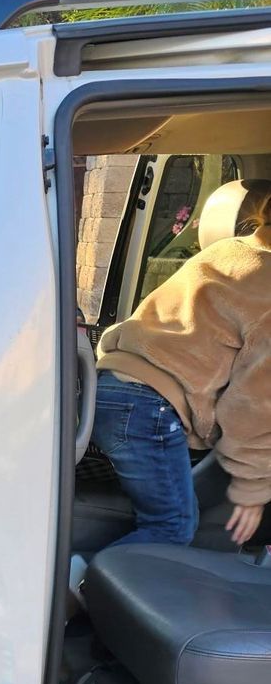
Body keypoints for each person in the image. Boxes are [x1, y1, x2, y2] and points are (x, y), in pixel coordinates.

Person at [91, 187, 271, 547]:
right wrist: (252, 487)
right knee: (171, 527)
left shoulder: (227, 252)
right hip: (149, 407)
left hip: (109, 386)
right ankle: (81, 590)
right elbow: (253, 403)